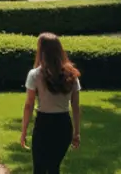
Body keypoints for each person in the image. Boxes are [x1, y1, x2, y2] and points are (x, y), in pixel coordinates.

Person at [20, 33, 81, 173]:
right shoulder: (72, 75)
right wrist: (77, 132)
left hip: (43, 125)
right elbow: (76, 106)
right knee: (54, 168)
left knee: (39, 169)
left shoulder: (35, 74)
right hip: (64, 125)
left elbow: (28, 105)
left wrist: (23, 131)